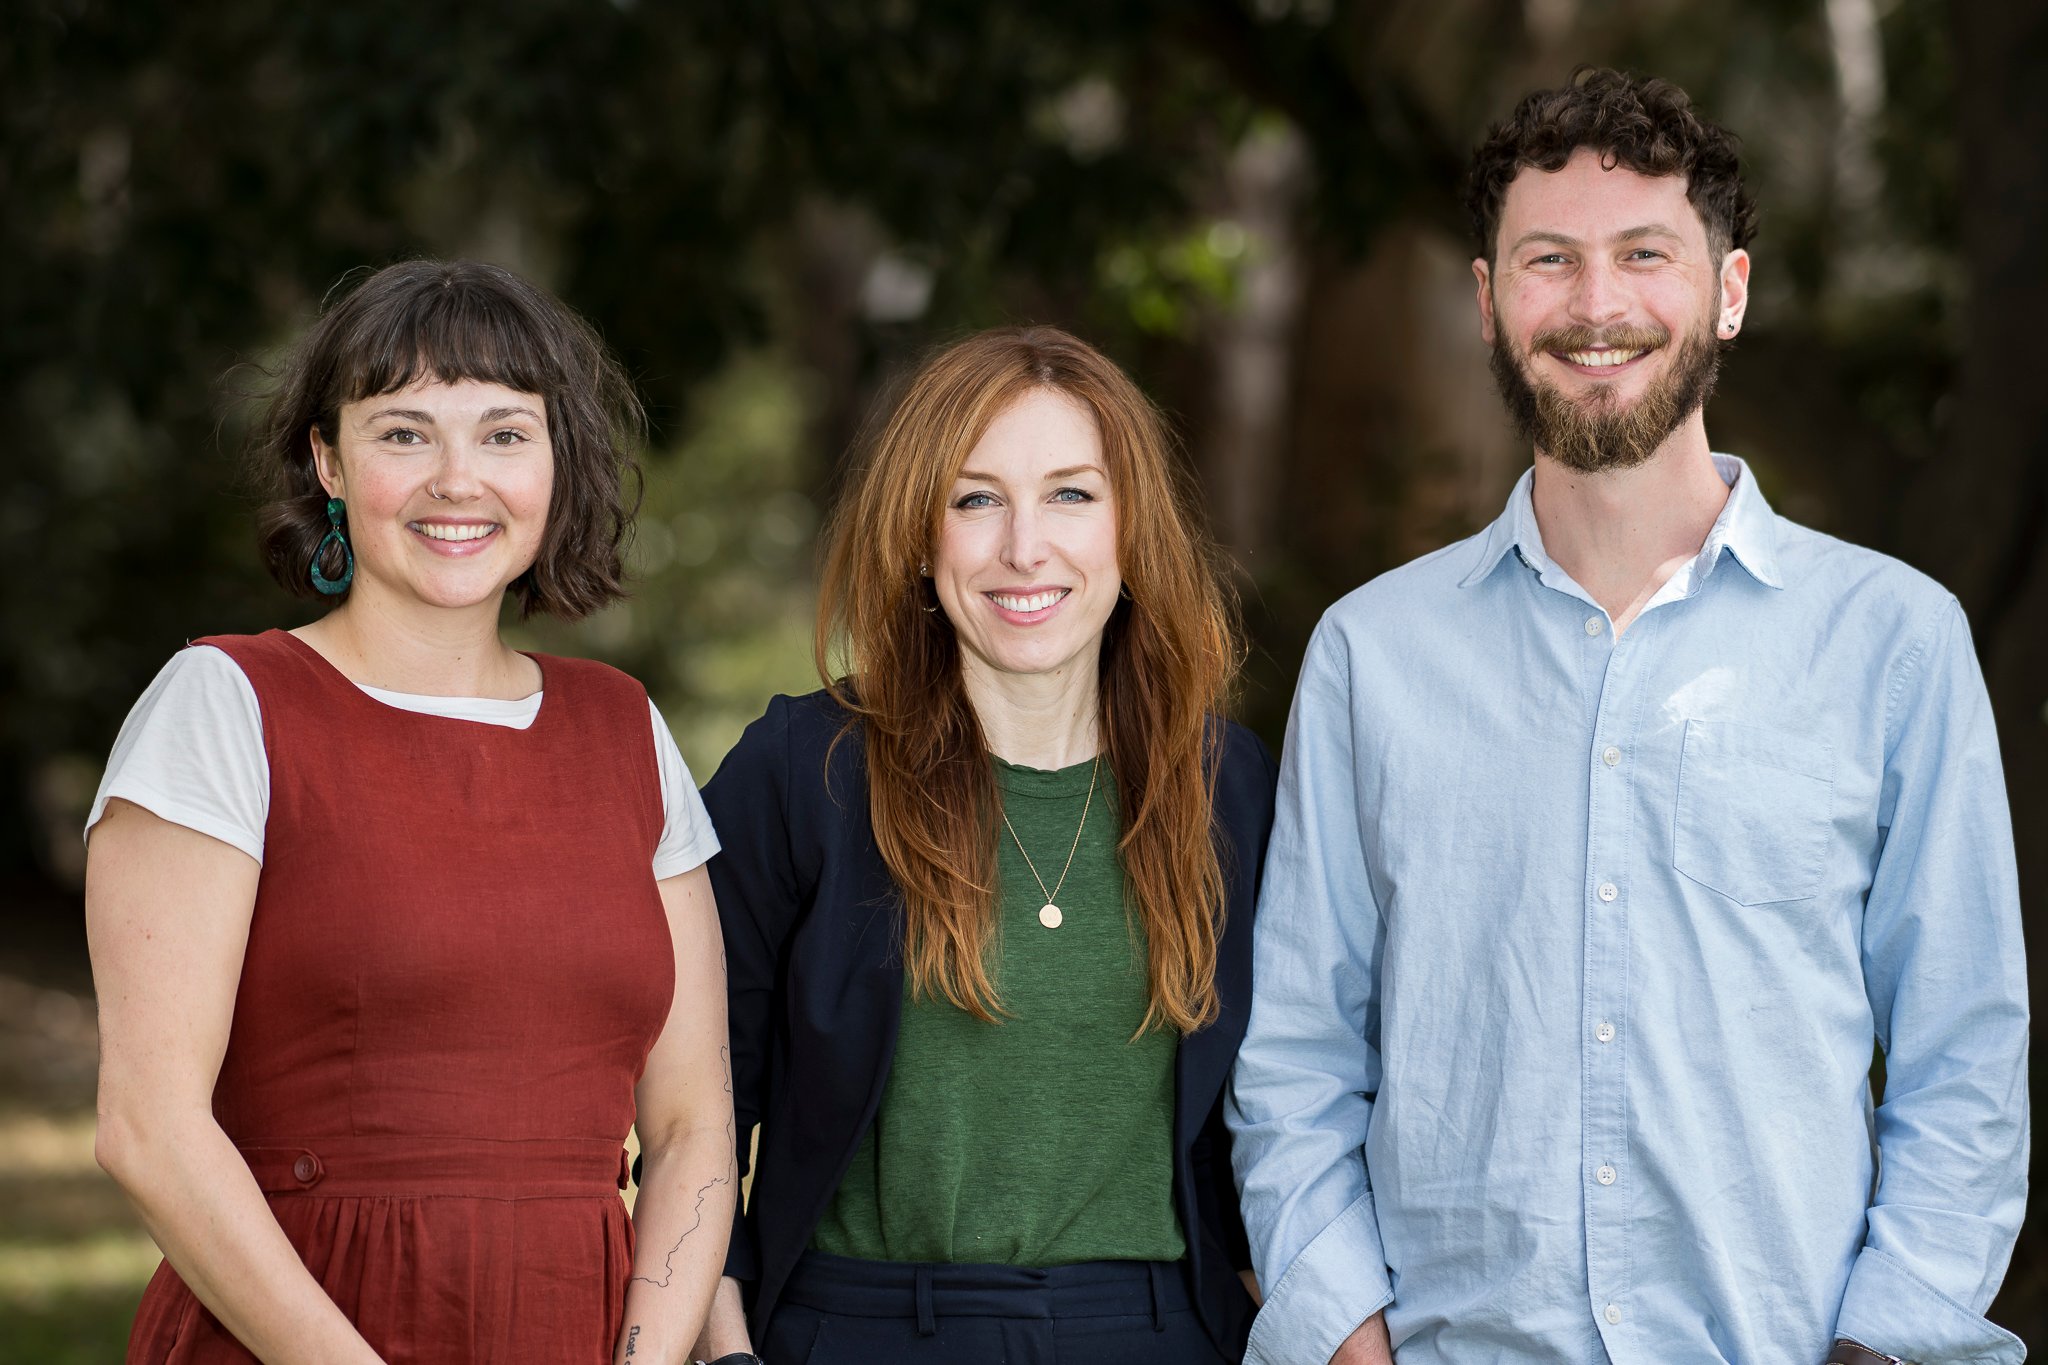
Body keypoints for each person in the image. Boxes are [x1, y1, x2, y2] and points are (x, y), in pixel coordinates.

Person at [1227, 68, 2028, 1365]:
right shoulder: (1373, 658)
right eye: (1549, 260)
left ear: (1730, 292)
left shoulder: (1894, 643)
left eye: (1644, 255)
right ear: (1489, 303)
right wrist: (1348, 1343)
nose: (1597, 306)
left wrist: (1880, 1352)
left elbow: (1965, 1064)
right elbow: (1301, 1064)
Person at [86, 259, 735, 1364]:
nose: (456, 479)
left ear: (556, 465)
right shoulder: (225, 704)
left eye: (502, 433)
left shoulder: (623, 727)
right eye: (402, 434)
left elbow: (692, 1130)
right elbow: (148, 1131)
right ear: (327, 461)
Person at [683, 326, 1276, 1365]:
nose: (1022, 547)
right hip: (856, 1329)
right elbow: (690, 1104)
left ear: (1132, 528)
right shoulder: (801, 774)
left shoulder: (1221, 787)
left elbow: (1275, 1113)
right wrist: (725, 1346)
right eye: (975, 500)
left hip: (1153, 1331)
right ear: (919, 535)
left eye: (1070, 495)